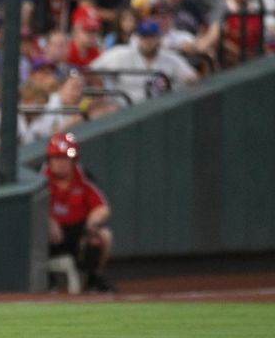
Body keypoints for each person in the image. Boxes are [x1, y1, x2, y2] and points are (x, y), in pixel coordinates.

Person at [43, 132, 113, 292]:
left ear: (74, 160)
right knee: (36, 231)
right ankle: (47, 280)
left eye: (65, 158)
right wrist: (48, 220)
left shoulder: (82, 178)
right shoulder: (41, 179)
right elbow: (30, 210)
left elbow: (103, 208)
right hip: (48, 237)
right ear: (49, 160)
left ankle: (93, 278)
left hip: (76, 232)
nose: (61, 163)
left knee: (104, 235)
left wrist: (92, 223)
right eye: (56, 158)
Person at [90, 20, 197, 104]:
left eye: (151, 37)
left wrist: (189, 81)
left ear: (159, 38)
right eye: (144, 37)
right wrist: (99, 87)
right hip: (124, 112)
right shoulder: (120, 55)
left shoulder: (170, 59)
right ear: (138, 38)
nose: (147, 41)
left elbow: (192, 78)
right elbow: (90, 70)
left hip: (158, 111)